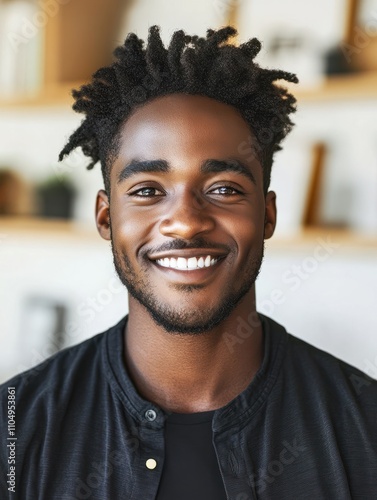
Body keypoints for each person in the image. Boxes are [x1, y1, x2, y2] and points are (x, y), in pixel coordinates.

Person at [1, 26, 376, 500]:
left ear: (267, 214)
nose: (184, 222)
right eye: (147, 191)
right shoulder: (15, 426)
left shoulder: (364, 425)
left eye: (223, 188)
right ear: (105, 216)